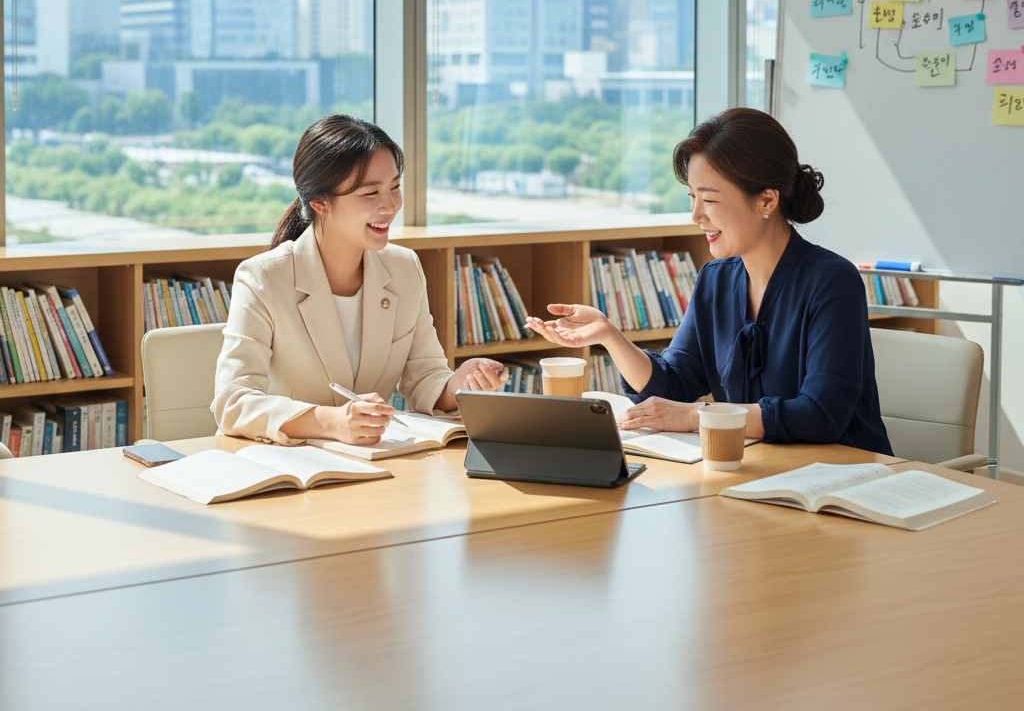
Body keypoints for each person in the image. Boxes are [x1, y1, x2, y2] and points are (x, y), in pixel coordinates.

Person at [526, 108, 892, 454]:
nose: (696, 215)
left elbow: (821, 415)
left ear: (766, 200)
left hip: (845, 483)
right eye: (691, 198)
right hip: (759, 473)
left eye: (710, 200)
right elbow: (675, 383)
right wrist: (609, 335)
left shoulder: (832, 282)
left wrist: (695, 416)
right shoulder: (714, 280)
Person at [212, 115, 507, 446]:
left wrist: (456, 386)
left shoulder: (404, 268)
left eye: (394, 187)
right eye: (371, 193)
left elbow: (424, 374)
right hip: (293, 467)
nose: (390, 205)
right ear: (320, 202)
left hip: (374, 463)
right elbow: (232, 402)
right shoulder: (263, 278)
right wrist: (331, 422)